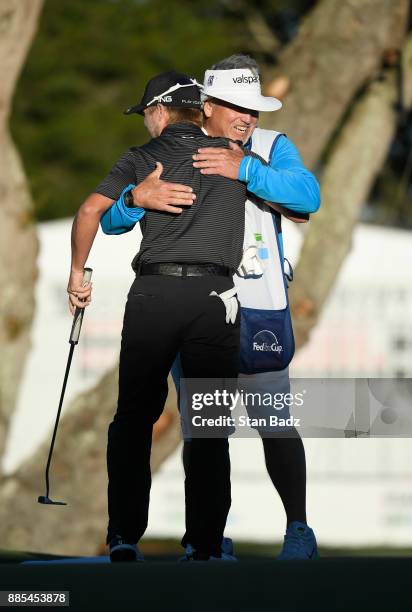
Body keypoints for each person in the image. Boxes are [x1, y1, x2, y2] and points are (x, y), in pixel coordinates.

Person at [99, 54, 321, 560]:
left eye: (255, 110)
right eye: (239, 107)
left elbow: (307, 195)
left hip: (260, 304)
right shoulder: (173, 144)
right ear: (207, 104)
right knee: (203, 423)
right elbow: (111, 218)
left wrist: (246, 169)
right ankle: (207, 537)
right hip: (198, 304)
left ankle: (298, 529)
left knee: (273, 420)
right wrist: (136, 199)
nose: (249, 119)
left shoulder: (268, 146)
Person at [67, 69, 282, 562]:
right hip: (215, 300)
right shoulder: (234, 157)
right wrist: (245, 170)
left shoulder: (143, 158)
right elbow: (299, 203)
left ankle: (123, 535)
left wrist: (78, 274)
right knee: (208, 421)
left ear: (160, 111)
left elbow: (87, 214)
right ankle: (205, 543)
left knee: (133, 419)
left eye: (146, 113)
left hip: (154, 295)